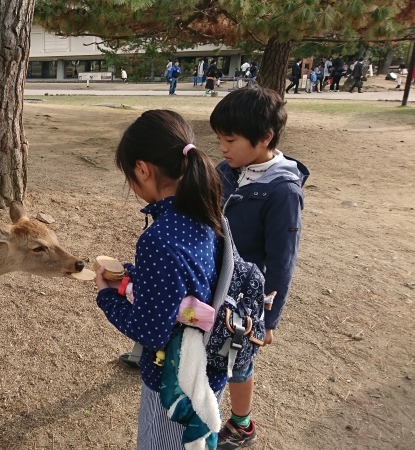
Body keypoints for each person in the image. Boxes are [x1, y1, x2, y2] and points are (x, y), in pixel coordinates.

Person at [95, 109, 228, 449]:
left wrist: (108, 296)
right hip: (208, 365)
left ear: (143, 169)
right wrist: (136, 276)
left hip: (175, 377)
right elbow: (189, 283)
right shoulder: (205, 210)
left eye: (130, 176)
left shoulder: (159, 238)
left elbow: (151, 332)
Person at [209, 87, 309, 449]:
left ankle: (241, 424)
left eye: (230, 139)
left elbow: (282, 261)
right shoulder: (228, 169)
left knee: (238, 359)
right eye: (219, 138)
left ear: (265, 138)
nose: (222, 147)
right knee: (210, 346)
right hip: (217, 279)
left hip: (248, 297)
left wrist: (269, 319)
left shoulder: (282, 191)